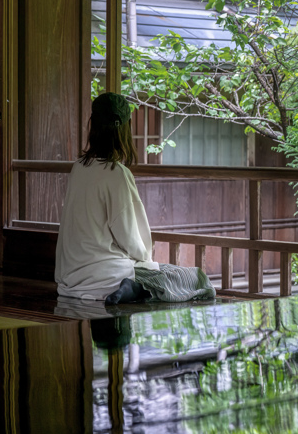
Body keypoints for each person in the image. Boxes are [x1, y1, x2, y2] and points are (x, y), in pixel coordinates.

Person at [55, 92, 215, 305]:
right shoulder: (116, 174)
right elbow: (130, 238)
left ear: (92, 125)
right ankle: (134, 287)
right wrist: (147, 261)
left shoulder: (78, 168)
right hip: (107, 277)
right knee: (194, 278)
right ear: (125, 129)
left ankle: (135, 289)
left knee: (165, 274)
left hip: (70, 280)